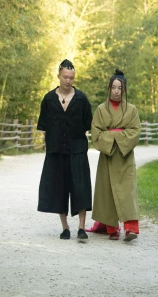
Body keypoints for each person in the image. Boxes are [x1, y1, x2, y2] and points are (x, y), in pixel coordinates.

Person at [37, 59, 93, 241]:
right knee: (59, 188)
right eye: (65, 77)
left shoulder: (81, 98)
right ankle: (65, 228)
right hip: (56, 151)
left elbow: (87, 124)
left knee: (80, 188)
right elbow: (44, 125)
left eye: (71, 77)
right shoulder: (48, 99)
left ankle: (82, 227)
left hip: (77, 150)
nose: (68, 81)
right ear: (59, 76)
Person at [89, 68, 141, 241]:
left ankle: (131, 229)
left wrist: (113, 136)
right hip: (108, 156)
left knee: (128, 191)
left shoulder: (132, 110)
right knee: (108, 192)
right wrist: (117, 137)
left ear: (124, 90)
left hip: (125, 157)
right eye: (114, 87)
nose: (116, 91)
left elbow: (135, 132)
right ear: (109, 88)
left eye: (120, 88)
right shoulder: (101, 110)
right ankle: (112, 229)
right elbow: (96, 133)